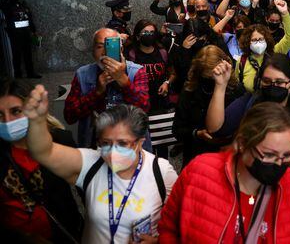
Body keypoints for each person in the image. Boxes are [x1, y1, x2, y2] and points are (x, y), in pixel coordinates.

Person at [24, 87, 178, 244]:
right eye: (105, 143)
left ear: (139, 143)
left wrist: (158, 241)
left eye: (122, 143)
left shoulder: (161, 171)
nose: (112, 152)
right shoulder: (90, 163)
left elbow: (180, 223)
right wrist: (36, 121)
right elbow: (44, 152)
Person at [159, 103, 290, 243]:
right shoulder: (199, 173)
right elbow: (169, 229)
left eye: (287, 155)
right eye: (269, 154)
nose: (279, 163)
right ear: (242, 144)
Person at [0, 78, 82, 242]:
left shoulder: (59, 140)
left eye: (16, 111)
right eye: (0, 115)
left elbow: (87, 189)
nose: (8, 121)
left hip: (64, 233)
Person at [206, 53, 290, 159]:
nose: (273, 86)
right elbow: (214, 128)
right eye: (267, 81)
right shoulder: (249, 102)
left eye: (279, 82)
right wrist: (220, 86)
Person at [64, 28, 150, 148]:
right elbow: (69, 116)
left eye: (111, 46)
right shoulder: (83, 74)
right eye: (99, 47)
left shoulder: (136, 71)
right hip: (95, 145)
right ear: (93, 51)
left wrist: (124, 81)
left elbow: (144, 108)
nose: (105, 52)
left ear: (121, 49)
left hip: (132, 145)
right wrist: (97, 92)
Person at [172, 45, 242, 166]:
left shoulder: (236, 91)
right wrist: (196, 133)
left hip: (227, 155)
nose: (213, 80)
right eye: (207, 76)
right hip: (196, 155)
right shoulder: (189, 91)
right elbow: (177, 130)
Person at [236, 0, 290, 92]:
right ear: (247, 43)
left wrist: (284, 13)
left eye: (261, 39)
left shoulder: (275, 52)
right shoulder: (242, 61)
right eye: (254, 40)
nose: (258, 42)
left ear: (266, 40)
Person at [127, 20, 176, 113]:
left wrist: (167, 83)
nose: (149, 35)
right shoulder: (132, 54)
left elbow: (173, 73)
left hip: (161, 101)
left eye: (152, 32)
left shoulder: (162, 52)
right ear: (138, 36)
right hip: (141, 102)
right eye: (145, 32)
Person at [0, 0, 41, 78]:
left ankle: (30, 73)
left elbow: (29, 17)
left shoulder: (22, 3)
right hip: (15, 33)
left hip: (25, 32)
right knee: (17, 54)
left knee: (28, 54)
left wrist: (33, 31)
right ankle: (18, 75)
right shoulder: (7, 3)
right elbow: (3, 6)